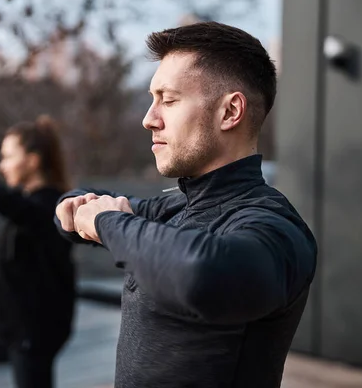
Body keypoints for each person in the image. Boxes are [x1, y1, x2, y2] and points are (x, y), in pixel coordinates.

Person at [54, 22, 317, 388]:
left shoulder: (274, 226)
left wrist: (107, 223)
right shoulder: (175, 209)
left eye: (169, 99)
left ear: (230, 112)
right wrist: (75, 209)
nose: (149, 118)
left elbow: (204, 275)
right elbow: (78, 207)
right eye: (151, 98)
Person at [0, 115, 75, 388]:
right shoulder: (32, 200)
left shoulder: (49, 205)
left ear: (32, 160)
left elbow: (18, 208)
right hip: (26, 330)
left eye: (8, 157)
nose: (1, 165)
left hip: (35, 330)